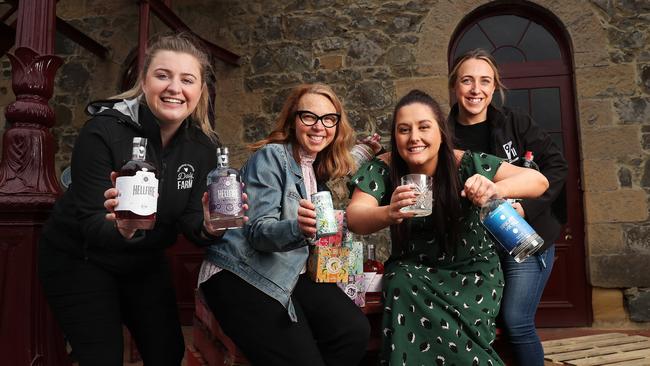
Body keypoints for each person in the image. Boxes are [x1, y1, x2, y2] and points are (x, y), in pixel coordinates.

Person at [38, 33, 232, 365]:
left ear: (200, 91)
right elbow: (92, 224)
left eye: (187, 80)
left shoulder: (202, 149)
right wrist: (123, 228)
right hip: (80, 258)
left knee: (167, 353)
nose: (174, 88)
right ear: (144, 81)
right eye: (162, 75)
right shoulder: (103, 131)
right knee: (102, 357)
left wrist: (213, 227)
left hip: (143, 261)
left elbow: (190, 222)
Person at [346, 90, 549, 365]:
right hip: (413, 269)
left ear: (441, 132)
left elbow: (538, 181)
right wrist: (388, 212)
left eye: (424, 127)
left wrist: (493, 187)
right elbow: (356, 216)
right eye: (404, 130)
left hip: (472, 273)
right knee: (401, 280)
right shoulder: (383, 167)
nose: (414, 137)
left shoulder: (466, 162)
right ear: (395, 136)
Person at [198, 83, 371, 366]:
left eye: (329, 119)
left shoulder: (314, 169)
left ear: (337, 125)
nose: (319, 126)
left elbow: (350, 162)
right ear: (293, 121)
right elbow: (258, 232)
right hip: (240, 273)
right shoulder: (272, 156)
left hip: (287, 271)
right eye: (309, 117)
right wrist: (298, 228)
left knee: (353, 330)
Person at [447, 49, 568, 366]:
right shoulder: (441, 135)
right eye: (467, 81)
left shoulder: (516, 123)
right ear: (454, 86)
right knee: (478, 321)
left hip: (522, 236)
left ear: (495, 86)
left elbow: (556, 168)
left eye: (485, 81)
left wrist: (526, 207)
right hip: (472, 247)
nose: (476, 89)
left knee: (516, 320)